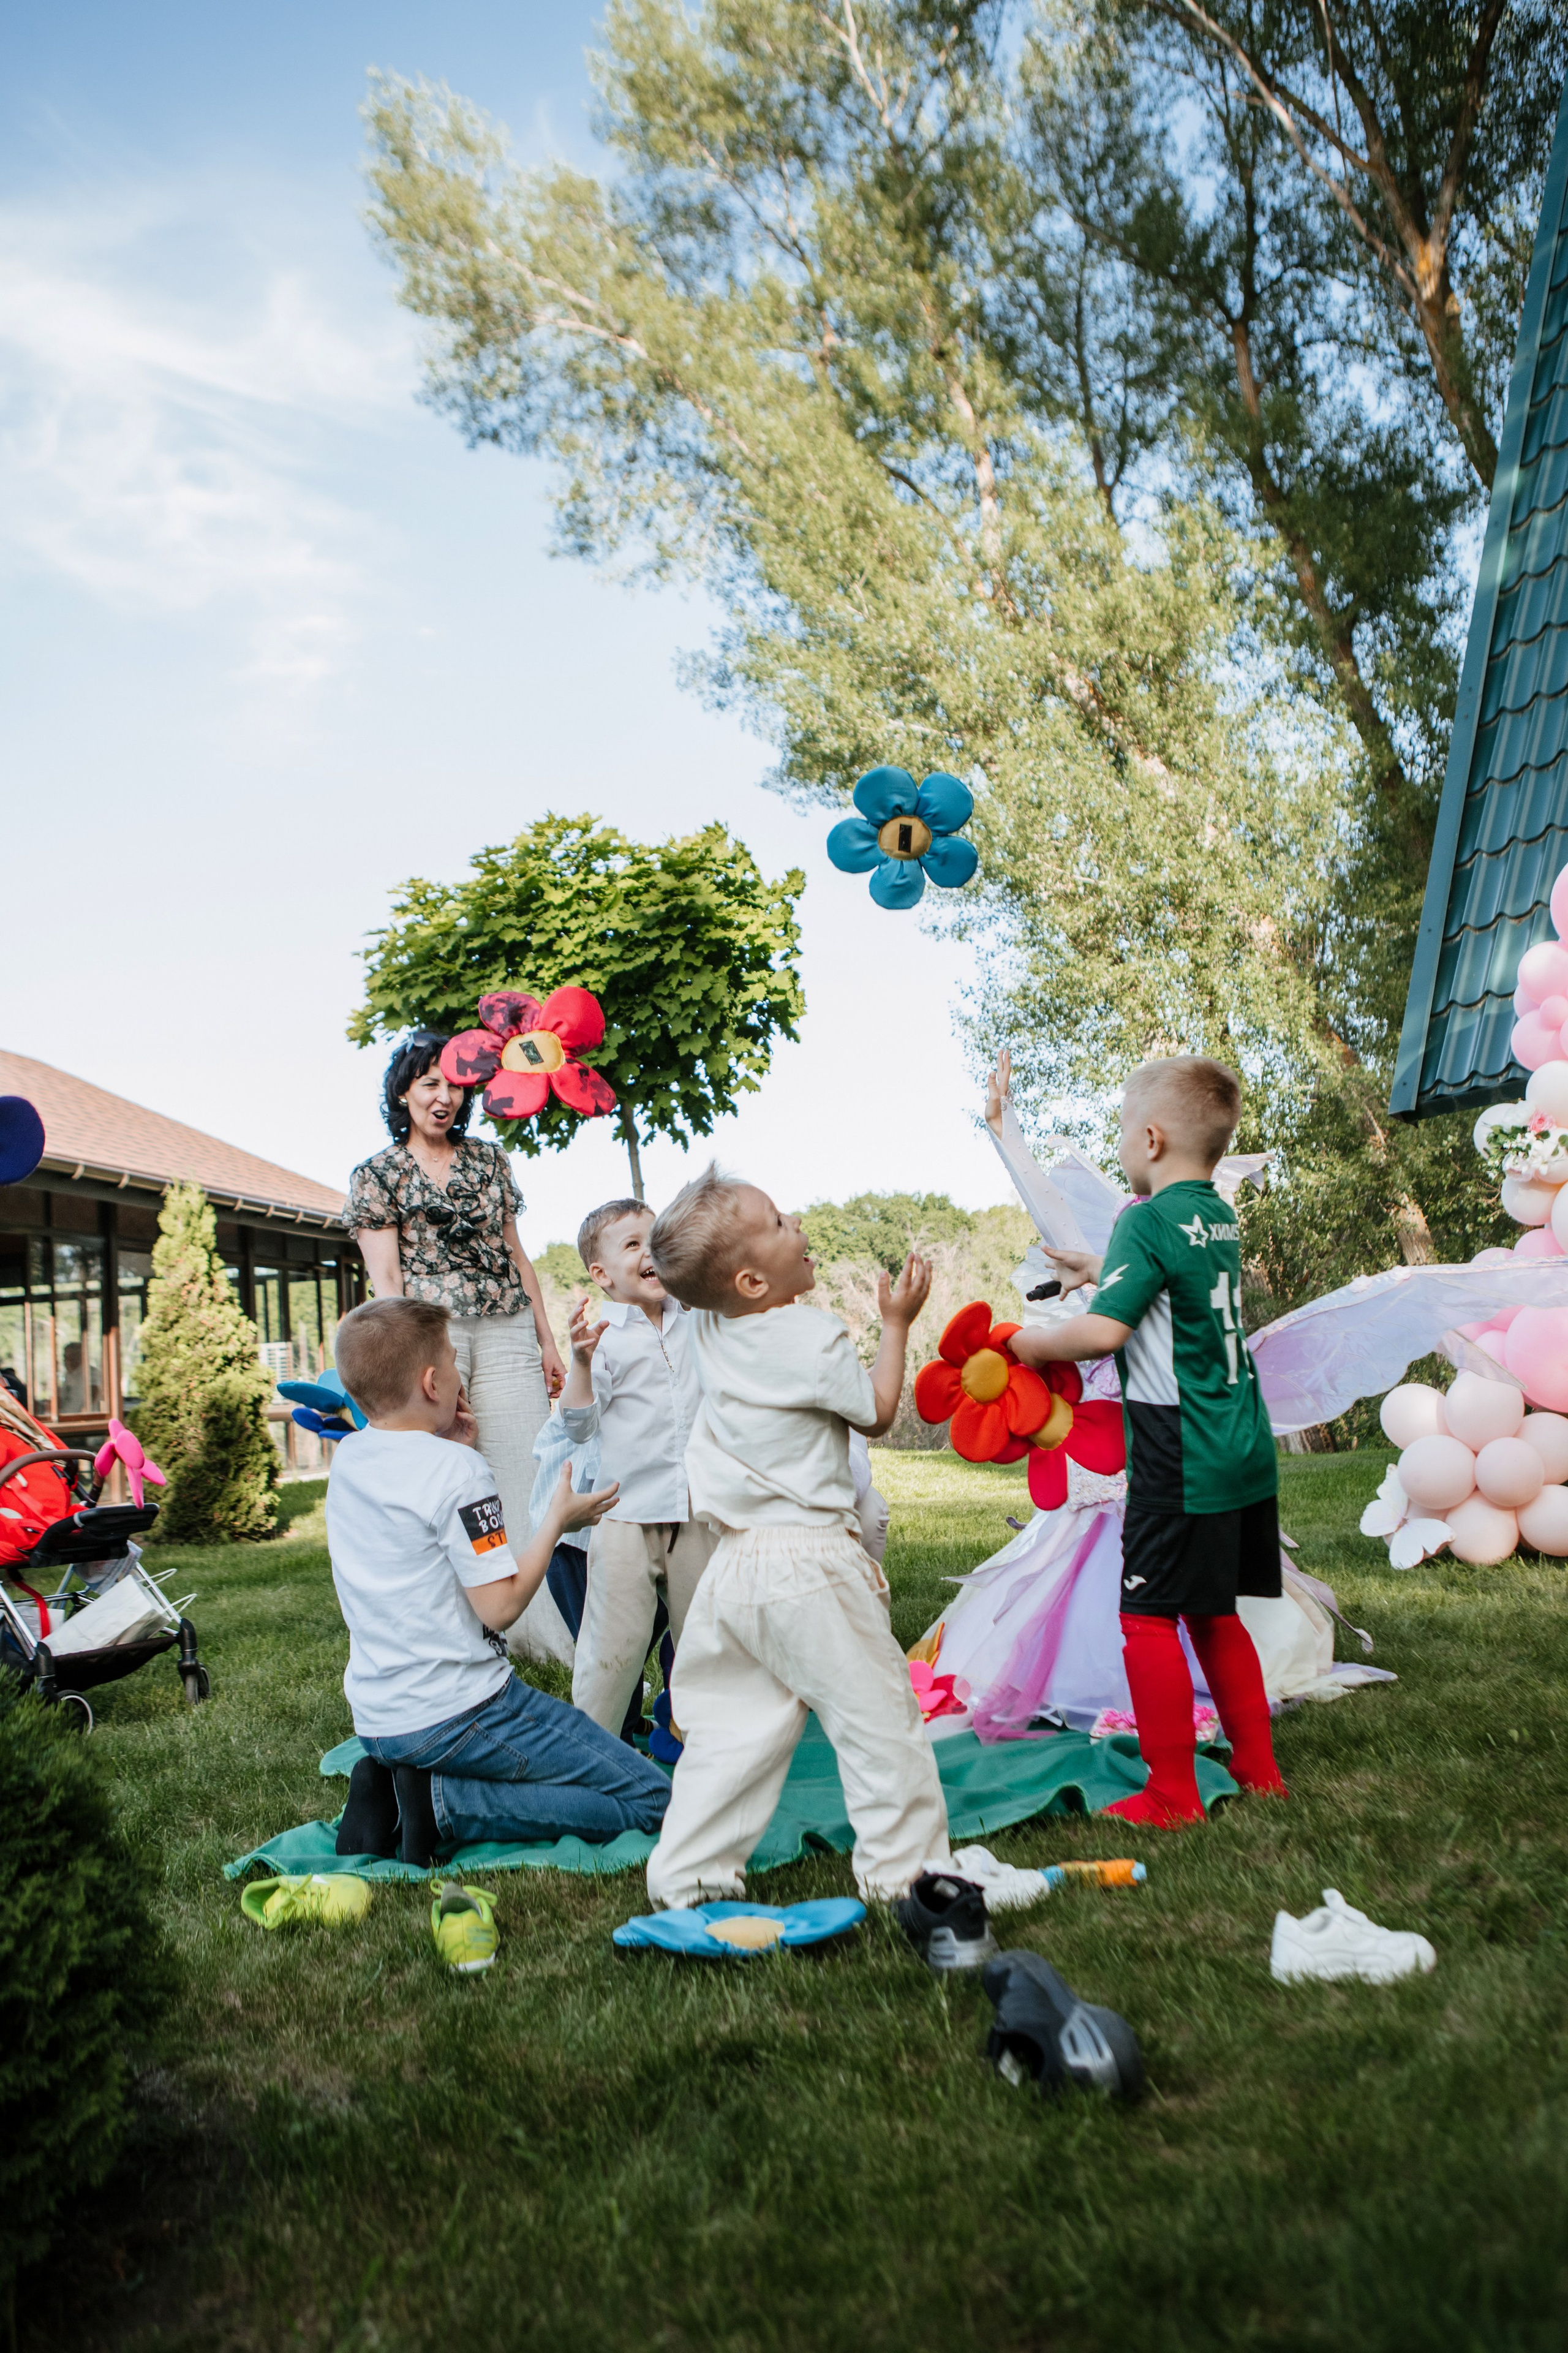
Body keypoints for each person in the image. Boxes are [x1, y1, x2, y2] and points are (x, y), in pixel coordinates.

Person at [642, 1166, 950, 1908]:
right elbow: (876, 1413)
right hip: (810, 1562)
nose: (799, 1226)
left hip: (735, 1570)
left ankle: (686, 1879)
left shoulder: (707, 1328)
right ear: (750, 1282)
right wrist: (898, 1323)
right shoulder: (810, 1336)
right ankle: (905, 1877)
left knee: (731, 1735)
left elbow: (688, 1282)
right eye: (781, 1223)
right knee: (879, 1724)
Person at [1008, 1056, 1287, 1827]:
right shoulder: (1214, 1214)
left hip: (1178, 1446)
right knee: (1214, 1613)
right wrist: (1101, 1265)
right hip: (1239, 1442)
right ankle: (1259, 1770)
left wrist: (1027, 1346)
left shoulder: (1145, 1217)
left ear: (1153, 1138)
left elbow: (1103, 1334)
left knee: (1147, 1618)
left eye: (1124, 1132)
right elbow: (1178, 1282)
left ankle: (1170, 1793)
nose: (1122, 1146)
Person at [325, 1294, 671, 1865]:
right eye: (456, 1364)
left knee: (589, 1776)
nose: (464, 1376)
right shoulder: (458, 1471)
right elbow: (501, 1607)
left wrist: (447, 1447)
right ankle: (436, 1802)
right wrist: (558, 1520)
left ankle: (399, 1783)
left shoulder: (352, 1458)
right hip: (463, 1712)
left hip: (381, 1720)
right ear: (434, 1383)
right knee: (652, 1797)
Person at [344, 1032, 573, 1665]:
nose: (444, 1098)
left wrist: (547, 1340)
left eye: (453, 1085)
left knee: (523, 1477)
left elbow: (517, 1257)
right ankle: (462, 1639)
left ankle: (543, 1639)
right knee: (448, 1481)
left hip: (506, 1330)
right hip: (431, 1341)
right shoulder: (377, 1175)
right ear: (403, 1092)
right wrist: (415, 1363)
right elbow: (387, 1284)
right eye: (429, 1085)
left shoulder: (491, 1161)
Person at [559, 1196, 717, 1733]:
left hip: (695, 1510)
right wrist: (580, 1363)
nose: (650, 1252)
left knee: (704, 1640)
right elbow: (578, 1427)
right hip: (625, 1515)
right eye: (633, 1245)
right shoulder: (603, 1341)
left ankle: (702, 1745)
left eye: (655, 1240)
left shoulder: (695, 1320)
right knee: (613, 1648)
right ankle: (593, 1753)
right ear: (601, 1274)